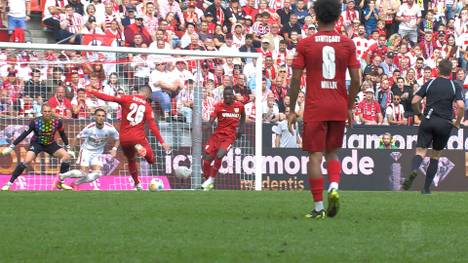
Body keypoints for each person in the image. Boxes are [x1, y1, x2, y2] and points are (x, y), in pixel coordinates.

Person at [287, 0, 361, 219]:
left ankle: (319, 208)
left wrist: (291, 109)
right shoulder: (347, 44)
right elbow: (356, 80)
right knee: (332, 152)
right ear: (338, 17)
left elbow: (295, 78)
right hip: (338, 105)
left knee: (315, 157)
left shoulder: (305, 44)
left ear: (315, 17)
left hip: (315, 106)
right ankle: (334, 186)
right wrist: (349, 106)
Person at [86, 85, 171, 191]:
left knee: (131, 160)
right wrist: (162, 142)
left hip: (124, 138)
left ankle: (137, 184)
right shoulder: (147, 106)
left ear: (138, 92)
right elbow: (153, 126)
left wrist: (93, 91)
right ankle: (141, 150)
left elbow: (109, 98)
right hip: (138, 138)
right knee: (151, 160)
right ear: (147, 95)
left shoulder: (127, 98)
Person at [402, 59, 464, 194]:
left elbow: (414, 101)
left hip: (428, 120)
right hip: (444, 123)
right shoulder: (454, 86)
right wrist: (457, 122)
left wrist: (418, 114)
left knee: (420, 152)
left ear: (438, 69)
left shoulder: (430, 82)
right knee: (435, 155)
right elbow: (461, 106)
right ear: (450, 72)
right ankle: (426, 189)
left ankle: (414, 169)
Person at [1, 104, 74, 191]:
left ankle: (61, 183)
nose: (47, 113)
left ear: (51, 112)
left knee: (66, 156)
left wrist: (68, 148)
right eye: (45, 111)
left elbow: (63, 135)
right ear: (42, 112)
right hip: (36, 144)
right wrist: (11, 147)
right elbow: (24, 135)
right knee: (26, 161)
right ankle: (9, 183)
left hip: (50, 144)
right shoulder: (35, 122)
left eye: (49, 111)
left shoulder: (58, 122)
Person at [59, 109, 119, 190]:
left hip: (98, 153)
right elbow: (77, 138)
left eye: (103, 116)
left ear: (105, 118)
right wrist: (70, 151)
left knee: (97, 174)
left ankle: (75, 183)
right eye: (99, 115)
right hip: (86, 151)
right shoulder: (90, 128)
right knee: (84, 173)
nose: (101, 118)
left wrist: (114, 149)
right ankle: (62, 176)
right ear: (95, 117)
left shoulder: (110, 128)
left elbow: (118, 138)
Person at [201, 87, 245, 191]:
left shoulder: (239, 106)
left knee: (219, 155)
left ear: (233, 96)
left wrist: (241, 129)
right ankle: (209, 182)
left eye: (229, 95)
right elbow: (211, 120)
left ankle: (211, 179)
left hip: (229, 137)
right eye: (225, 95)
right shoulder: (218, 106)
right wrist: (207, 126)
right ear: (223, 96)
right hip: (217, 136)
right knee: (206, 161)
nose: (227, 97)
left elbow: (243, 117)